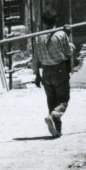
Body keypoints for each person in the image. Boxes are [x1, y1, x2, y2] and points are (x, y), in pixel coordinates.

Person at [33, 8, 74, 138]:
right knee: (63, 99)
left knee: (51, 101)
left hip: (46, 72)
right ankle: (54, 116)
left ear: (43, 22)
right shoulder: (61, 35)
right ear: (56, 20)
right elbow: (68, 52)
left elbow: (36, 59)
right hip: (59, 70)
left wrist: (37, 76)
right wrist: (68, 35)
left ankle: (57, 130)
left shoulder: (38, 37)